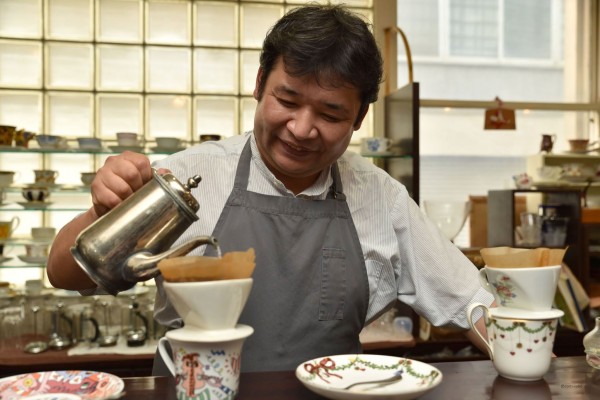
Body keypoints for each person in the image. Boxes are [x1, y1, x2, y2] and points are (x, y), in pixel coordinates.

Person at [47, 4, 494, 373]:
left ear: (358, 121)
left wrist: (531, 361)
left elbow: (474, 303)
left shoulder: (382, 197)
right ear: (260, 85)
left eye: (331, 115)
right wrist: (99, 212)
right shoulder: (188, 176)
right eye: (288, 100)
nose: (302, 129)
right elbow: (65, 273)